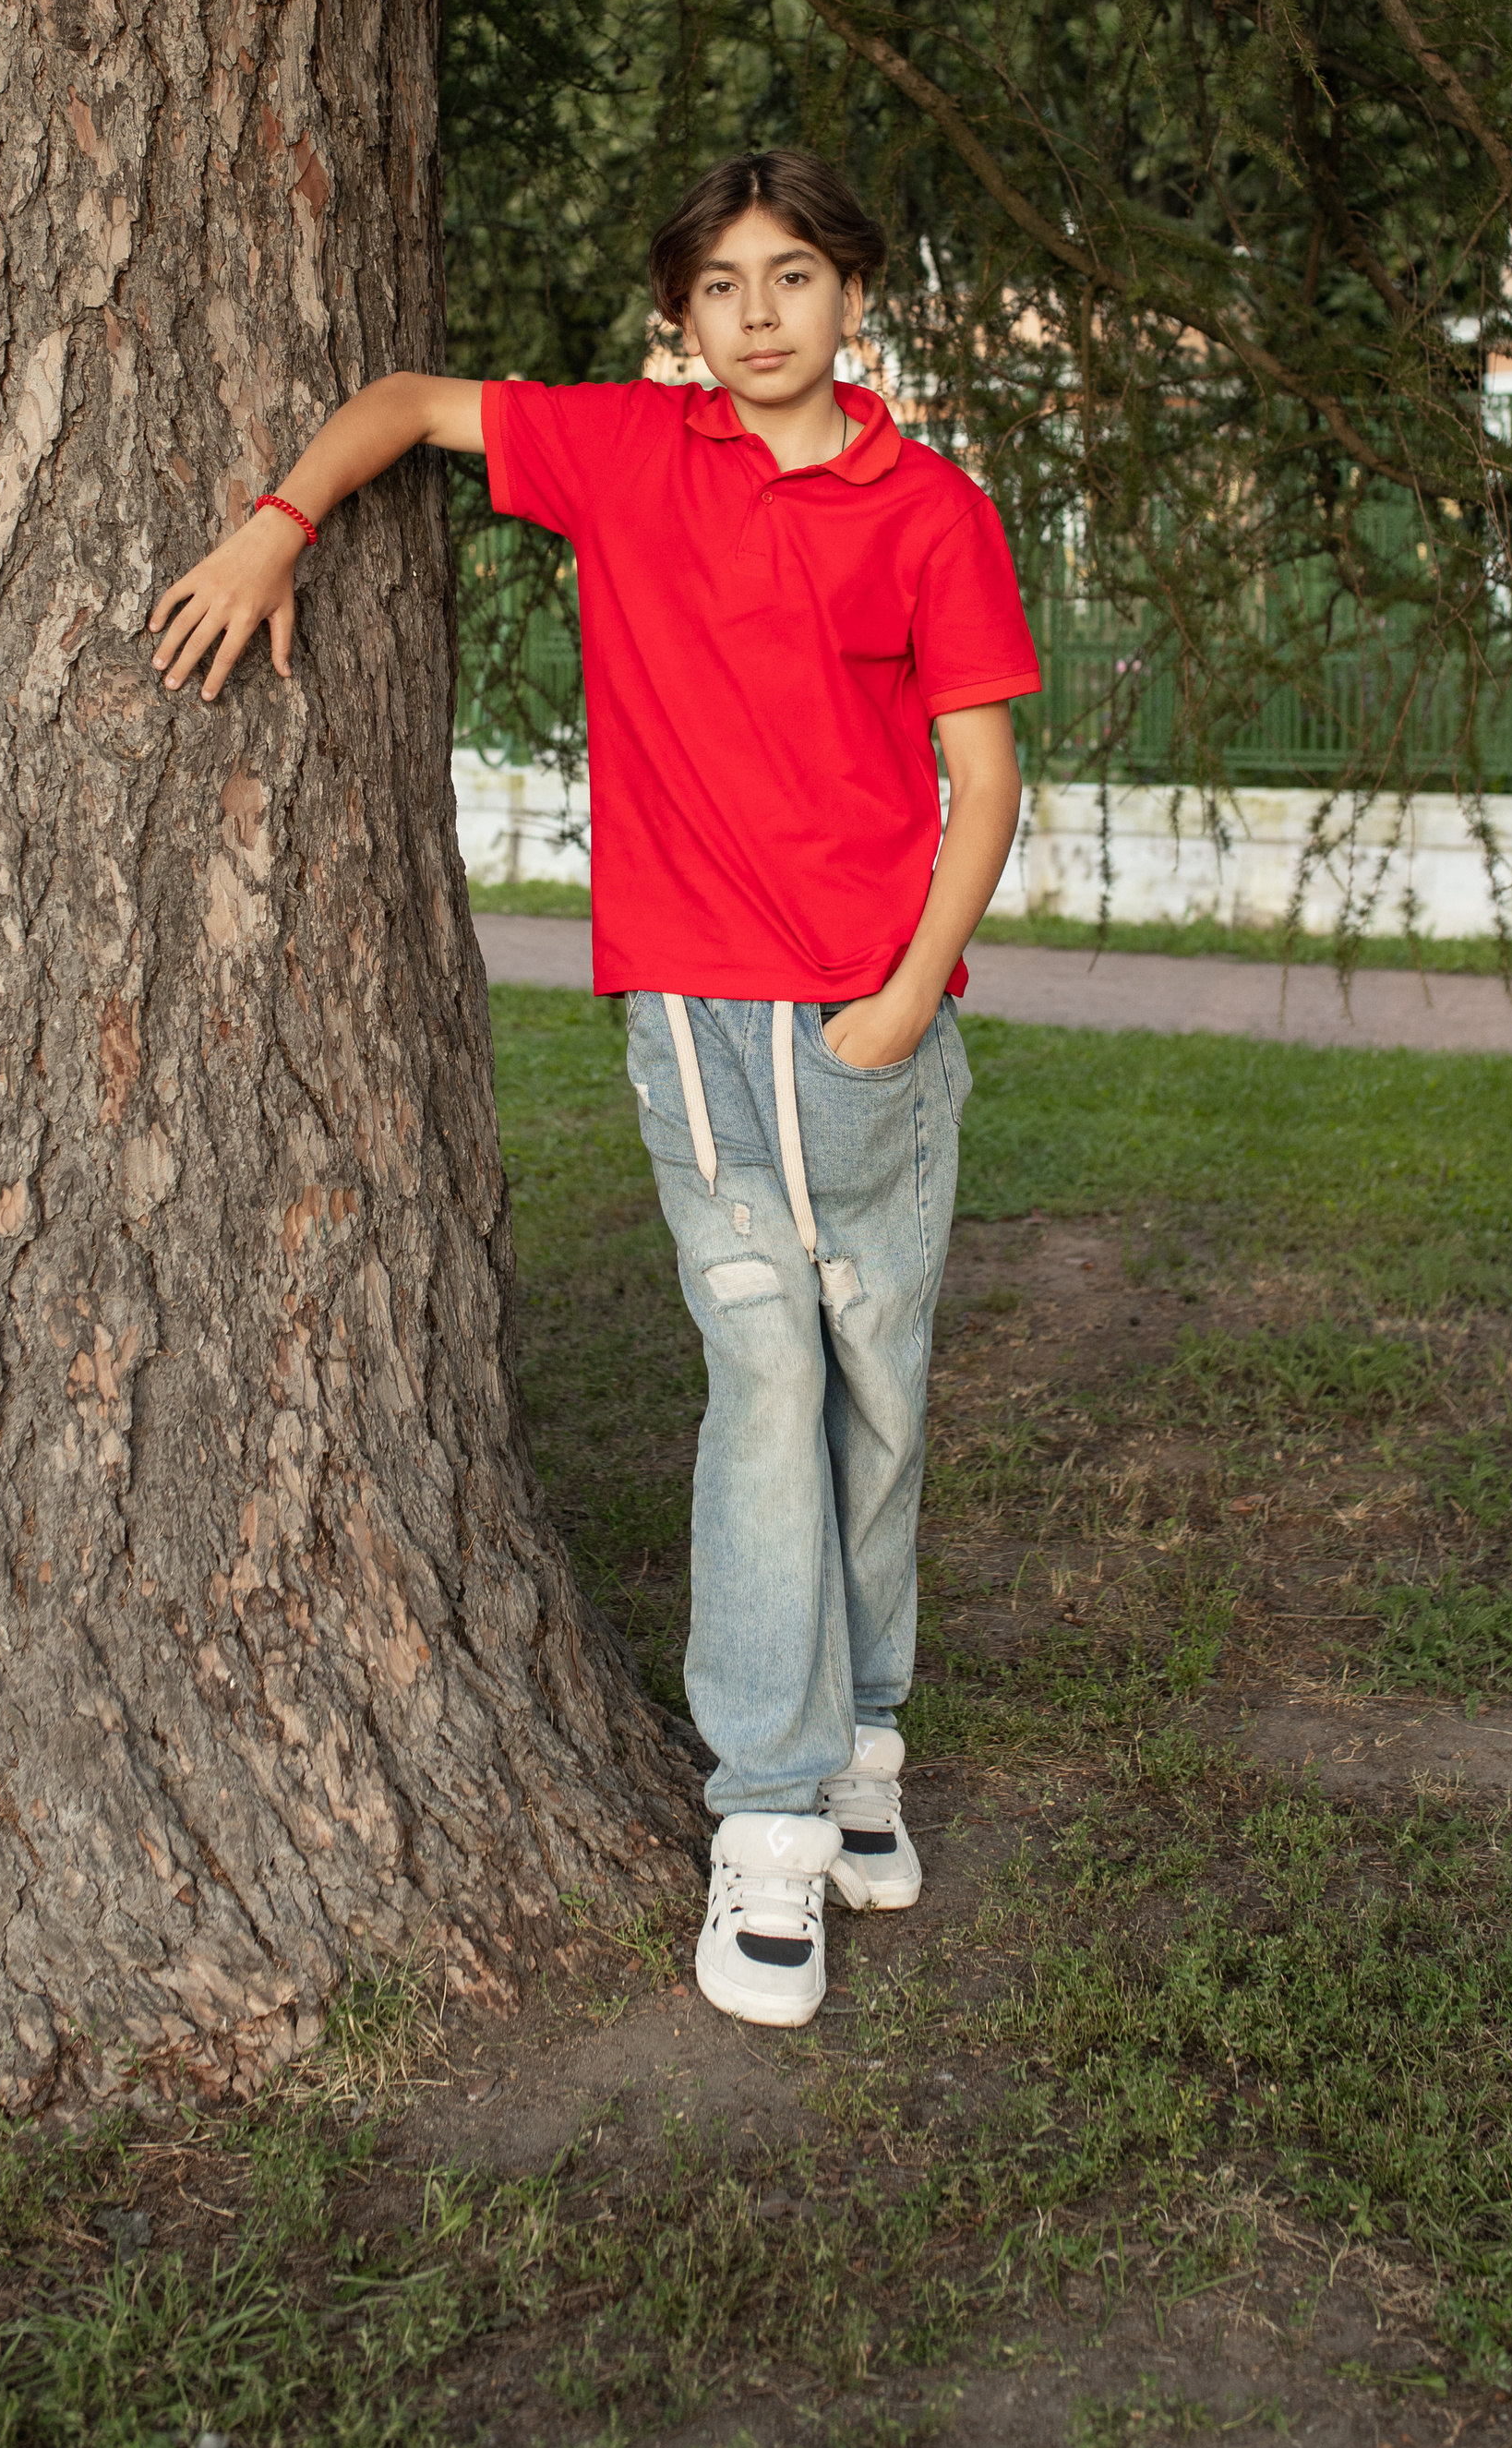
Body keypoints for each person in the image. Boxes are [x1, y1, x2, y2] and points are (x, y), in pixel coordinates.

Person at [147, 149, 1037, 2026]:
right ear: (681, 320)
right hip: (701, 1023)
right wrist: (272, 522)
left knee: (877, 1390)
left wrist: (888, 1007)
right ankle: (770, 1821)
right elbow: (399, 406)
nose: (759, 314)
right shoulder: (630, 450)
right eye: (721, 287)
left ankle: (865, 1733)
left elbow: (984, 779)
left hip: (875, 1033)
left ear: (852, 296)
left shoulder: (930, 510)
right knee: (766, 1382)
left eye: (792, 275)